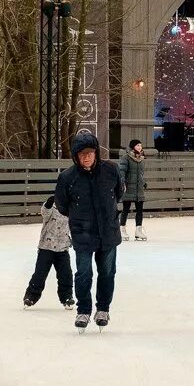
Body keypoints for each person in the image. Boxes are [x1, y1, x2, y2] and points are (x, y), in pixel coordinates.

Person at [55, 133, 124, 331]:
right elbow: (61, 204)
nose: (86, 157)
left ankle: (103, 308)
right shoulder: (68, 177)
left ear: (96, 153)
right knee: (84, 273)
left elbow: (118, 193)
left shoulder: (110, 170)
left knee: (107, 273)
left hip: (108, 231)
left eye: (89, 153)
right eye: (81, 154)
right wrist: (80, 220)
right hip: (83, 233)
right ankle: (83, 310)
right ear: (75, 156)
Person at [23, 196, 75, 309]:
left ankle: (67, 297)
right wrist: (48, 204)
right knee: (40, 274)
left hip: (62, 248)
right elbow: (45, 213)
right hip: (46, 247)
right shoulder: (53, 207)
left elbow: (75, 225)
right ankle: (31, 296)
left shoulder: (71, 208)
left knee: (65, 274)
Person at [118, 139, 147, 241]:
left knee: (140, 210)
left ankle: (138, 230)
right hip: (128, 187)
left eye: (140, 145)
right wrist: (123, 182)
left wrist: (143, 182)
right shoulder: (126, 157)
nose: (140, 147)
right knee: (126, 209)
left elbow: (141, 174)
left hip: (139, 188)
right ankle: (122, 229)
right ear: (133, 147)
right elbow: (122, 171)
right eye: (137, 145)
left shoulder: (141, 159)